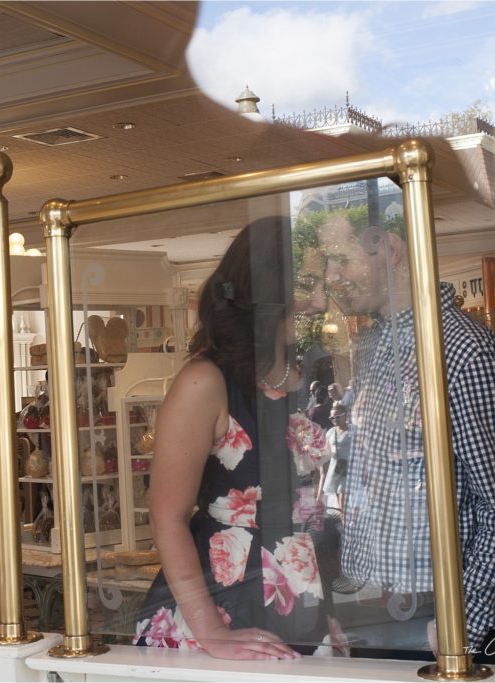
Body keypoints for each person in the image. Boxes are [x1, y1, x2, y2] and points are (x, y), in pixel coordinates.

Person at [134, 216, 341, 660]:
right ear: (261, 292)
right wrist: (210, 631)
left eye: (321, 283)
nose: (320, 300)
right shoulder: (204, 382)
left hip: (306, 591)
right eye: (306, 283)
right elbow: (167, 516)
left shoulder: (314, 374)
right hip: (223, 605)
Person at [319, 212, 495, 664]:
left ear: (388, 251)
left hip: (438, 615)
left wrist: (464, 621)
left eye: (339, 260)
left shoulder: (463, 349)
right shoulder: (376, 348)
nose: (332, 277)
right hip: (372, 608)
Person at [320, 402, 352, 511]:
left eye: (337, 417)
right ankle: (343, 523)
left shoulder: (353, 431)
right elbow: (326, 452)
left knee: (342, 497)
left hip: (350, 469)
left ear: (346, 415)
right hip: (336, 469)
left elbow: (362, 449)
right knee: (339, 503)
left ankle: (345, 523)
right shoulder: (330, 432)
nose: (335, 419)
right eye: (332, 417)